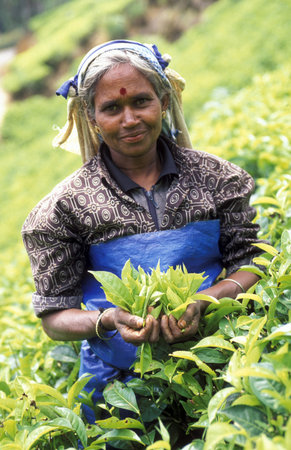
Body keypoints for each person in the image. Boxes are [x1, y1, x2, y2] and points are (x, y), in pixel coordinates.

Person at [22, 39, 262, 422]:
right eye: (112, 108)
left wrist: (206, 301)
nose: (129, 119)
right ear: (91, 116)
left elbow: (251, 261)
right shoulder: (61, 210)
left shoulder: (219, 179)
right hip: (118, 391)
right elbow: (55, 316)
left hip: (222, 365)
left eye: (141, 101)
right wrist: (107, 321)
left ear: (164, 101)